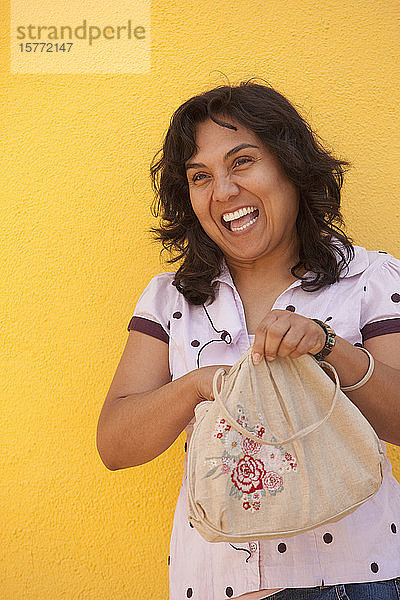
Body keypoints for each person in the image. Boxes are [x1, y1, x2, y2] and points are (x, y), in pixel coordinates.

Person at [96, 81, 400, 600]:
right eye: (200, 176)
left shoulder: (369, 278)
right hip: (213, 584)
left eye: (242, 162)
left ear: (290, 165)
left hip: (355, 577)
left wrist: (330, 349)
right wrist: (201, 385)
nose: (223, 191)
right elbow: (115, 444)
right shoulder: (170, 298)